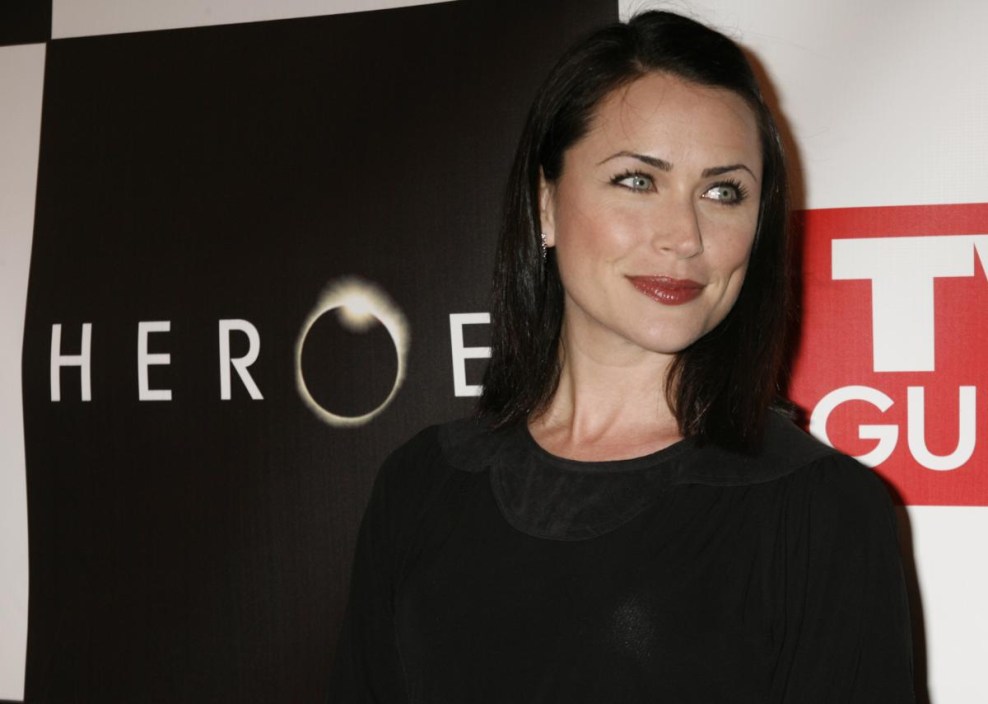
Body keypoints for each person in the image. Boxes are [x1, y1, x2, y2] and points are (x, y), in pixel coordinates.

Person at [329, 10, 915, 703]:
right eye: (638, 180)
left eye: (723, 192)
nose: (684, 236)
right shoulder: (421, 484)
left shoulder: (821, 512)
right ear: (545, 204)